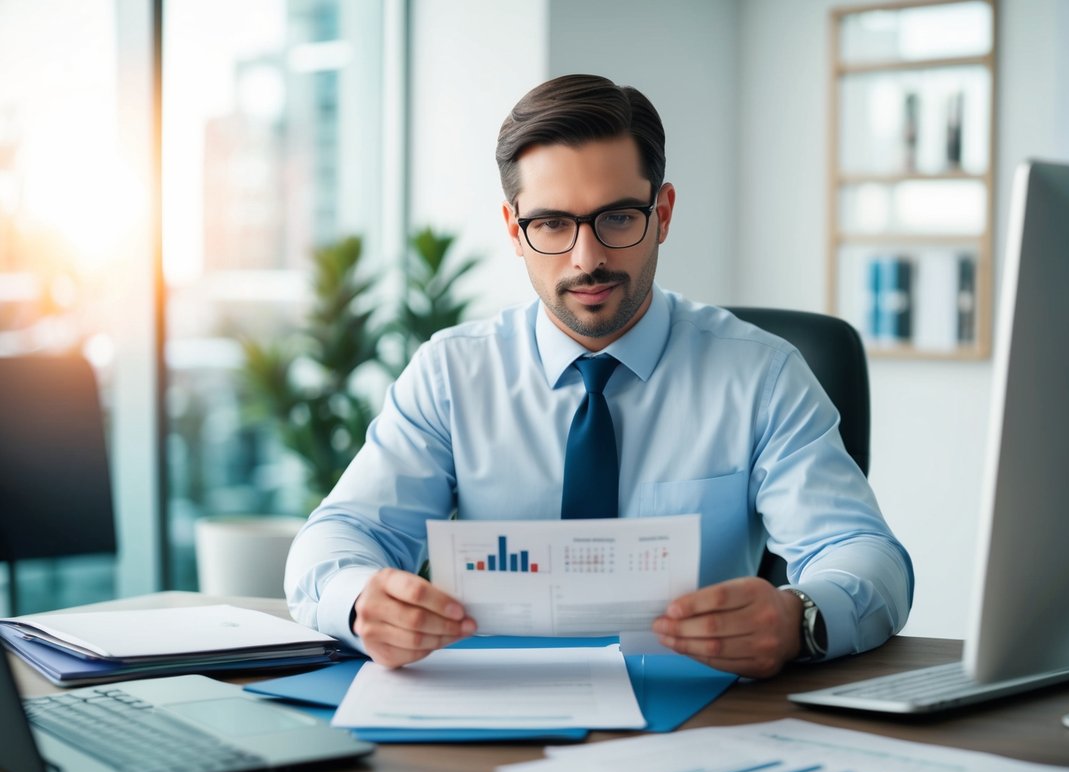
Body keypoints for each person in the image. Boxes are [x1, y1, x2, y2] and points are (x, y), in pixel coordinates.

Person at [285, 74, 913, 679]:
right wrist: (362, 599)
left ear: (662, 213)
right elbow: (338, 538)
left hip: (698, 714)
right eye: (552, 224)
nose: (588, 259)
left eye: (617, 218)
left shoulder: (761, 375)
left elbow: (867, 556)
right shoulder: (452, 373)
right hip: (489, 713)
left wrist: (795, 618)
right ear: (515, 230)